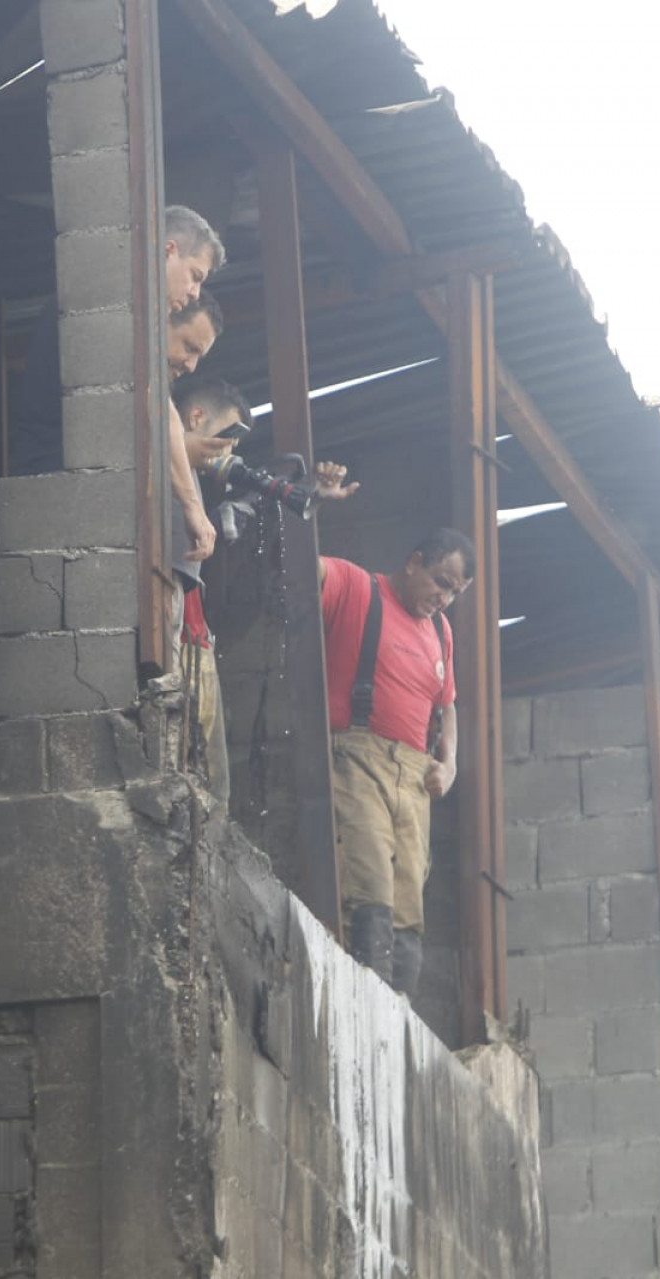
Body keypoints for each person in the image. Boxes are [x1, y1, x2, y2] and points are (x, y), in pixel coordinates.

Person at [173, 373, 359, 812]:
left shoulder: (201, 491)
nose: (228, 453)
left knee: (211, 783)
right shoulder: (165, 476)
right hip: (178, 639)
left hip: (198, 640)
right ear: (196, 417)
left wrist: (307, 492)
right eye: (226, 438)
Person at [8, 205, 226, 566]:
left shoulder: (126, 307)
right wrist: (191, 505)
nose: (195, 292)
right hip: (53, 494)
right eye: (195, 276)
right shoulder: (109, 302)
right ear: (169, 250)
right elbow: (155, 412)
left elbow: (163, 410)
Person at [318, 529, 474, 996]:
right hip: (359, 758)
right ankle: (364, 997)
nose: (444, 598)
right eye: (440, 581)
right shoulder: (358, 588)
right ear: (413, 562)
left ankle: (396, 1007)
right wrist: (312, 502)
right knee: (368, 885)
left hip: (414, 778)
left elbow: (447, 705)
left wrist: (449, 763)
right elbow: (300, 566)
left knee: (408, 907)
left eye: (455, 592)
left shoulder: (441, 634)